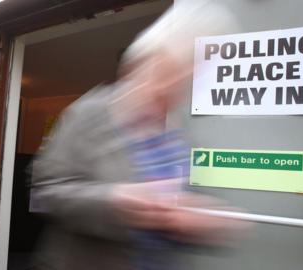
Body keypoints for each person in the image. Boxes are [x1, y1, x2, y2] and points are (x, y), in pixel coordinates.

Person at [28, 2, 246, 270]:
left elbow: (181, 204)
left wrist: (200, 218)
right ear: (141, 63)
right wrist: (114, 200)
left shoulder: (177, 132)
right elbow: (46, 191)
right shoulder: (88, 114)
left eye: (187, 76)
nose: (174, 85)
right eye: (170, 71)